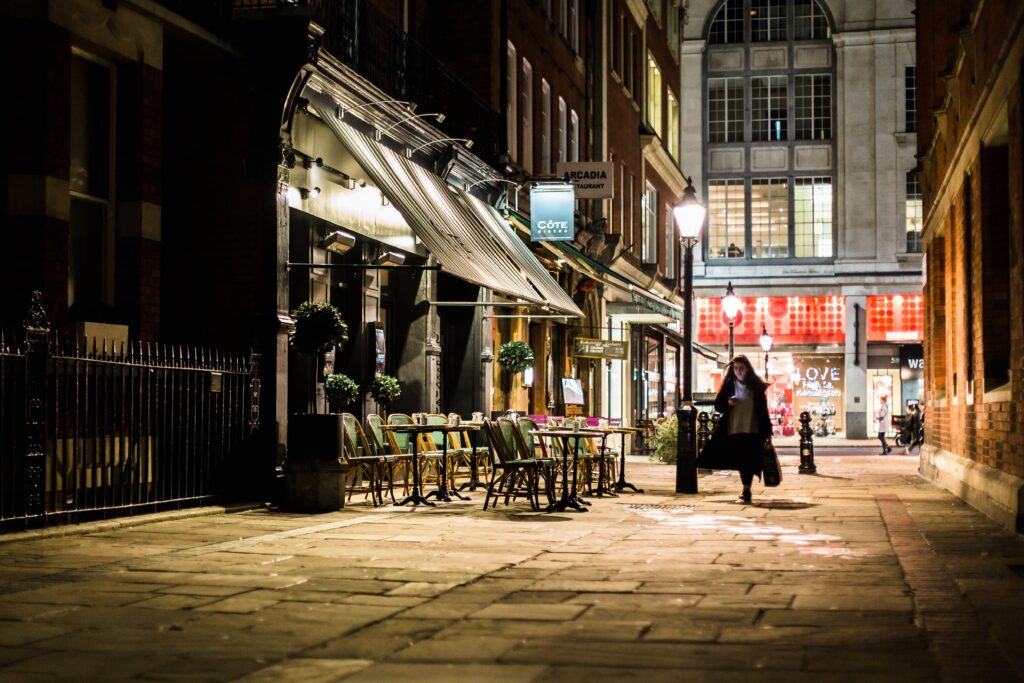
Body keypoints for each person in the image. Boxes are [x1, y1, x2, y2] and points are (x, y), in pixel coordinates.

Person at [697, 355, 772, 503]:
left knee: (749, 460)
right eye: (736, 368)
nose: (738, 371)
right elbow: (718, 406)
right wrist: (728, 403)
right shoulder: (729, 385)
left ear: (748, 369)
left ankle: (746, 488)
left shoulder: (756, 387)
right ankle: (746, 488)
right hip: (734, 428)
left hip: (753, 429)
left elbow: (763, 411)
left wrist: (767, 431)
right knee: (742, 460)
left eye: (741, 368)